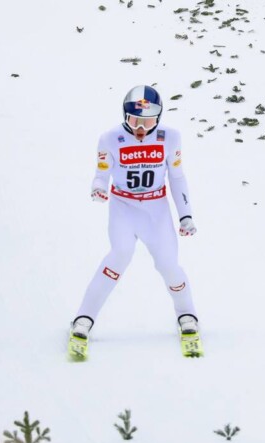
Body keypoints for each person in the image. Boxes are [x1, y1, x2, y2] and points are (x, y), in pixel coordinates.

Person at [69, 85, 201, 358]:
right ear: (125, 117)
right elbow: (101, 172)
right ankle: (84, 318)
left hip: (156, 210)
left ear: (159, 118)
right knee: (119, 256)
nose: (141, 128)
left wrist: (186, 214)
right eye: (135, 121)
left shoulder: (171, 138)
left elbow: (177, 178)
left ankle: (187, 314)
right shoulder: (110, 139)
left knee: (168, 264)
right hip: (124, 208)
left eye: (149, 121)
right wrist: (98, 187)